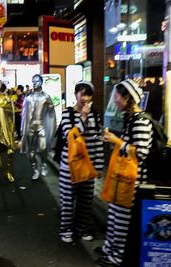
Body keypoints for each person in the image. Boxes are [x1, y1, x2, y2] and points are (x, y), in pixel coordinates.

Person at [96, 79, 152, 267]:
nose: (115, 101)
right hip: (122, 179)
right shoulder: (132, 119)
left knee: (121, 222)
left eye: (117, 97)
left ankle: (116, 258)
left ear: (127, 98)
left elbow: (142, 153)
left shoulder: (141, 121)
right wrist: (115, 141)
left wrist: (117, 141)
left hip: (132, 183)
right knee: (113, 218)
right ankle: (109, 250)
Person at [58, 81, 104, 244]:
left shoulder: (95, 115)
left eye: (88, 94)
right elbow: (71, 137)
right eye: (82, 94)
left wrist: (98, 166)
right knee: (68, 202)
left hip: (88, 167)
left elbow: (98, 140)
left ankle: (81, 229)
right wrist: (83, 118)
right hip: (69, 167)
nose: (85, 98)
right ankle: (66, 230)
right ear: (75, 94)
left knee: (85, 201)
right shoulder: (67, 114)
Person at [21, 74, 56, 180]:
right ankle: (35, 169)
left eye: (36, 81)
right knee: (31, 152)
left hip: (42, 126)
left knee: (43, 149)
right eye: (33, 81)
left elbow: (51, 112)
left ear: (41, 82)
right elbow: (24, 114)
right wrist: (23, 129)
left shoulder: (46, 96)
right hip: (30, 127)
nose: (34, 83)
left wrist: (52, 106)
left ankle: (44, 164)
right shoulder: (28, 97)